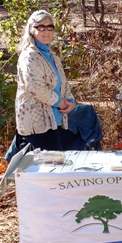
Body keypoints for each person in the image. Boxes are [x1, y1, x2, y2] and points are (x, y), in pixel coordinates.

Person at [15, 9, 76, 151]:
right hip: (37, 124)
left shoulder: (53, 56)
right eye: (41, 27)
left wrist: (70, 101)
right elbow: (36, 88)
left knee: (58, 166)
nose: (46, 31)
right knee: (49, 170)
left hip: (57, 121)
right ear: (31, 30)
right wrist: (61, 103)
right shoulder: (29, 56)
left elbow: (63, 83)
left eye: (50, 27)